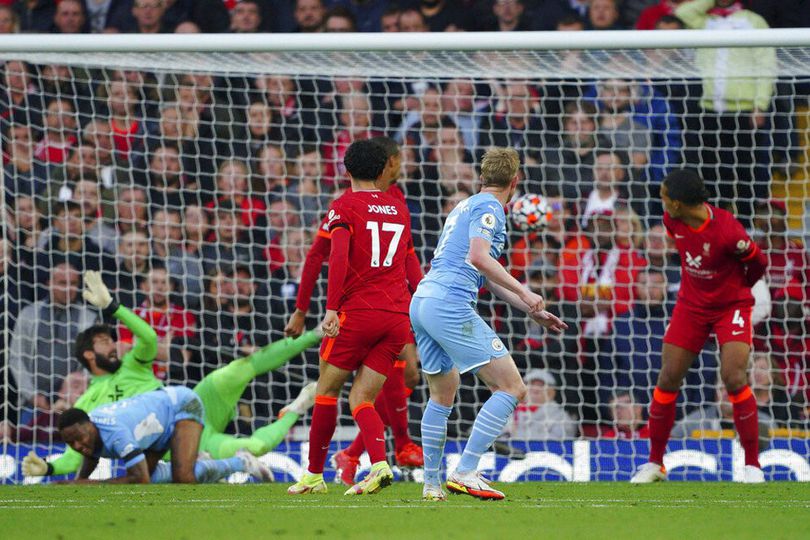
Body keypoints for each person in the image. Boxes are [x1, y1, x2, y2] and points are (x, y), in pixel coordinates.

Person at [21, 271, 322, 480]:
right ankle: (296, 408)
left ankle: (315, 333)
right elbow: (77, 454)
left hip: (190, 406)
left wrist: (113, 307)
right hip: (180, 442)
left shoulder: (132, 365)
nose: (113, 346)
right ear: (88, 354)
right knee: (255, 448)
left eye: (112, 341)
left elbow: (149, 338)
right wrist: (48, 469)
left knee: (238, 369)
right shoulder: (88, 402)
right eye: (104, 343)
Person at [410, 147, 566, 501]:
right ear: (516, 181)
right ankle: (466, 470)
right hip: (449, 303)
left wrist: (529, 308)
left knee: (441, 393)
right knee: (512, 388)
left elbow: (485, 274)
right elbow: (478, 257)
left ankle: (432, 485)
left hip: (423, 301)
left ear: (483, 176)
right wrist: (527, 291)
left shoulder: (463, 205)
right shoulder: (490, 208)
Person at [285, 137, 425, 487]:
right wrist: (422, 305)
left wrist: (331, 309)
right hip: (395, 317)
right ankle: (379, 464)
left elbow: (338, 258)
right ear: (383, 170)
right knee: (363, 397)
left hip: (357, 314)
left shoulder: (343, 207)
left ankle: (314, 475)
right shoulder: (399, 208)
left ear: (345, 169)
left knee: (327, 393)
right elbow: (410, 262)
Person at [630, 169, 769, 484]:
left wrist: (739, 288)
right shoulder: (672, 222)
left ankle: (752, 465)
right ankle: (655, 464)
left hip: (731, 307)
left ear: (678, 203)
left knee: (733, 377)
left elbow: (759, 262)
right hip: (691, 306)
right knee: (668, 377)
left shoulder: (728, 231)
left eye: (665, 197)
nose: (662, 202)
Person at [56, 387, 270, 484]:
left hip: (182, 405)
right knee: (157, 477)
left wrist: (88, 485)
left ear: (89, 426)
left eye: (78, 437)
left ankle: (242, 461)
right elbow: (91, 457)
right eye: (70, 443)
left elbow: (139, 479)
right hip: (154, 426)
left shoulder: (116, 433)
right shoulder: (91, 430)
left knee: (184, 478)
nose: (77, 445)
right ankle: (201, 463)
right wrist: (80, 480)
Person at [505, 369, 577, 440]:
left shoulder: (561, 417)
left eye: (541, 385)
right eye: (531, 384)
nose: (535, 389)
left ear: (552, 392)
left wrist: (516, 434)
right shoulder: (509, 412)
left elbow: (558, 442)